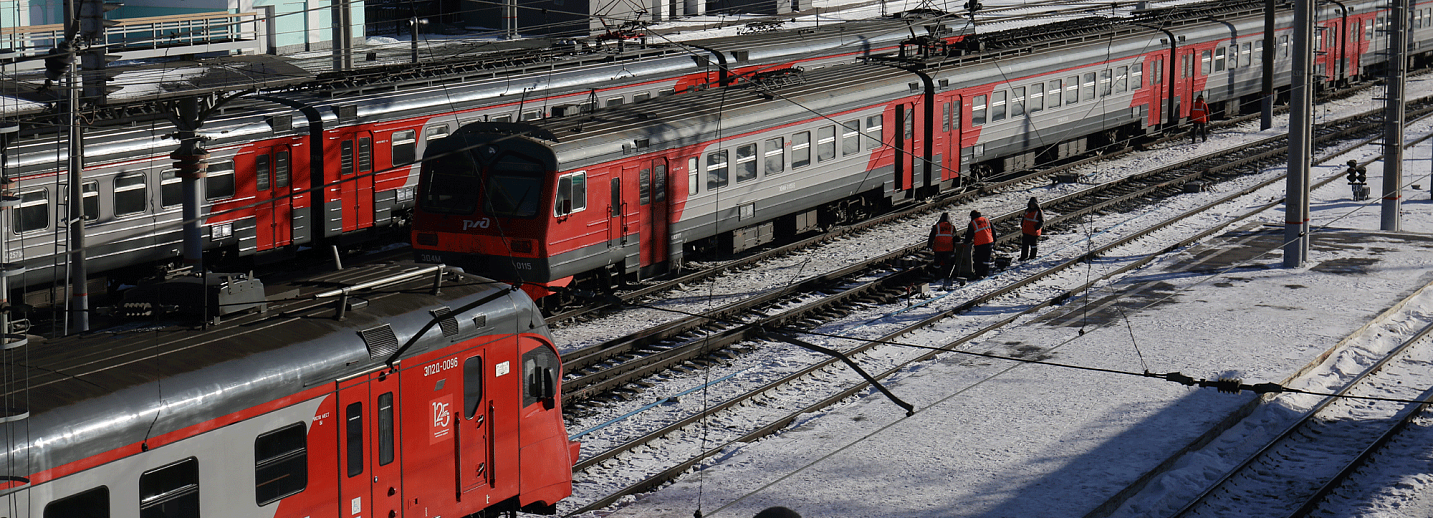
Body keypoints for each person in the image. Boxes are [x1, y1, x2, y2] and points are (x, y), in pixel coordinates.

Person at [927, 212, 957, 282]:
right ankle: (946, 276)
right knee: (947, 263)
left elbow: (931, 237)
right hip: (948, 248)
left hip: (938, 248)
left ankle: (937, 276)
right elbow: (955, 238)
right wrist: (955, 248)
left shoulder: (937, 226)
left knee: (937, 263)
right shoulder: (952, 227)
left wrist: (929, 245)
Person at [965, 209, 994, 279]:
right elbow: (993, 230)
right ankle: (985, 273)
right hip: (989, 242)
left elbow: (969, 235)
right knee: (986, 259)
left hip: (979, 244)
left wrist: (966, 242)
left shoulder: (972, 223)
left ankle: (978, 274)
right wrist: (994, 240)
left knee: (978, 259)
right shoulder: (986, 220)